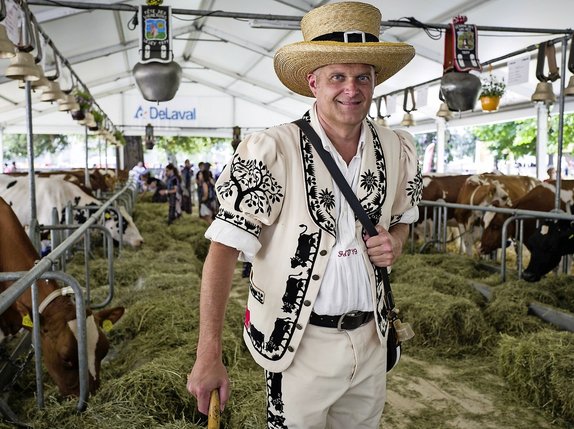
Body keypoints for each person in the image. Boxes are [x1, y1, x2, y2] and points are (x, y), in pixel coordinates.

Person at [186, 2, 422, 428]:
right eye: (337, 77)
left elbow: (405, 216)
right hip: (298, 346)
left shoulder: (398, 147)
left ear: (374, 82)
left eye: (362, 77)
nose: (351, 89)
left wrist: (398, 241)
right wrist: (208, 356)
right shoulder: (271, 150)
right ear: (313, 82)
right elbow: (221, 252)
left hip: (372, 339)